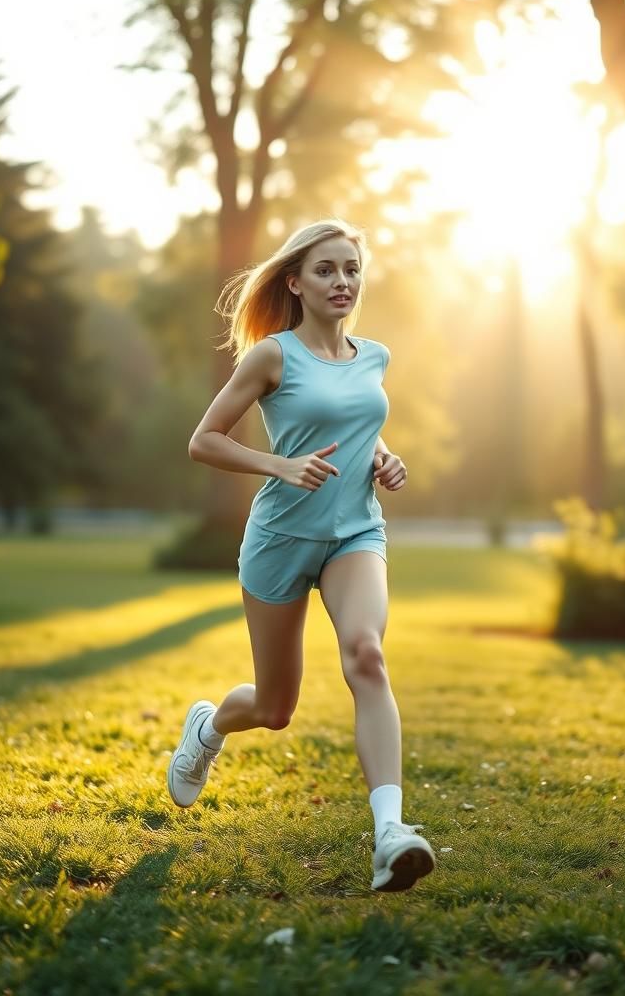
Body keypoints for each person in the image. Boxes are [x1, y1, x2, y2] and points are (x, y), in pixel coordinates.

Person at [168, 218, 435, 893]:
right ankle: (209, 726)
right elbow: (205, 440)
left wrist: (384, 456)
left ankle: (389, 834)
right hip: (281, 540)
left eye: (351, 268)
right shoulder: (271, 356)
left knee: (366, 655)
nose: (342, 281)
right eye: (326, 270)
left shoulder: (374, 357)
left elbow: (356, 426)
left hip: (354, 534)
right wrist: (277, 466)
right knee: (275, 707)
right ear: (295, 281)